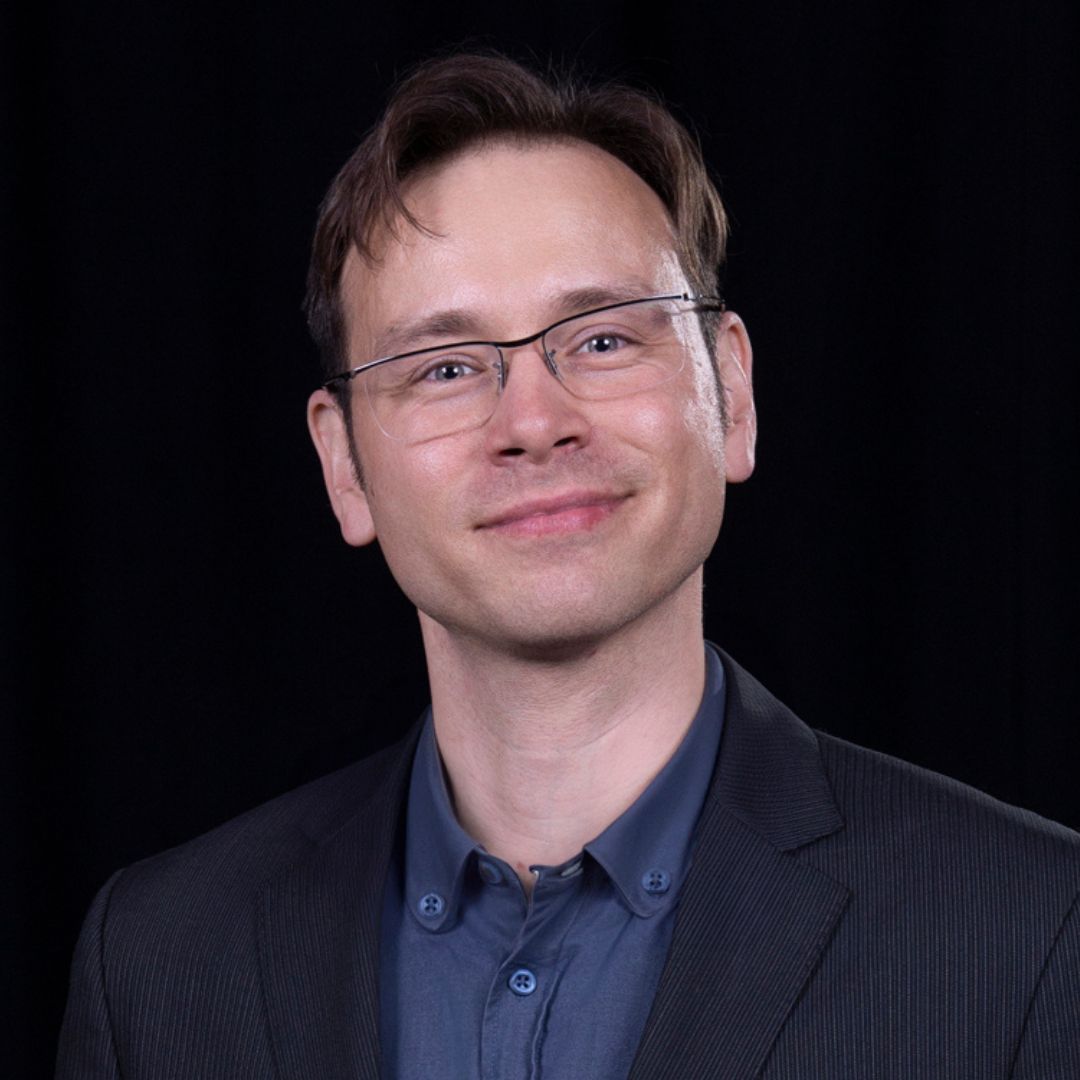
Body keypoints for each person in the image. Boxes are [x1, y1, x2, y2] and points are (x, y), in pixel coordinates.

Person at [57, 53, 1080, 1080]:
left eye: (600, 341)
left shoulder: (1035, 935)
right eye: (446, 368)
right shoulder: (158, 964)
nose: (534, 424)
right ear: (344, 466)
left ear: (732, 393)